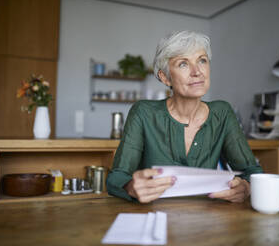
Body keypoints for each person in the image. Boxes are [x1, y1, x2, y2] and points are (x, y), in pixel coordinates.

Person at [106, 30, 263, 203]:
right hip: (155, 217)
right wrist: (131, 187)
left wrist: (246, 188)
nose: (197, 72)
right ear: (165, 77)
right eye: (183, 64)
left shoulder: (222, 113)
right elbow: (116, 178)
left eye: (202, 60)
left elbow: (252, 172)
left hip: (208, 220)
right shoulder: (143, 112)